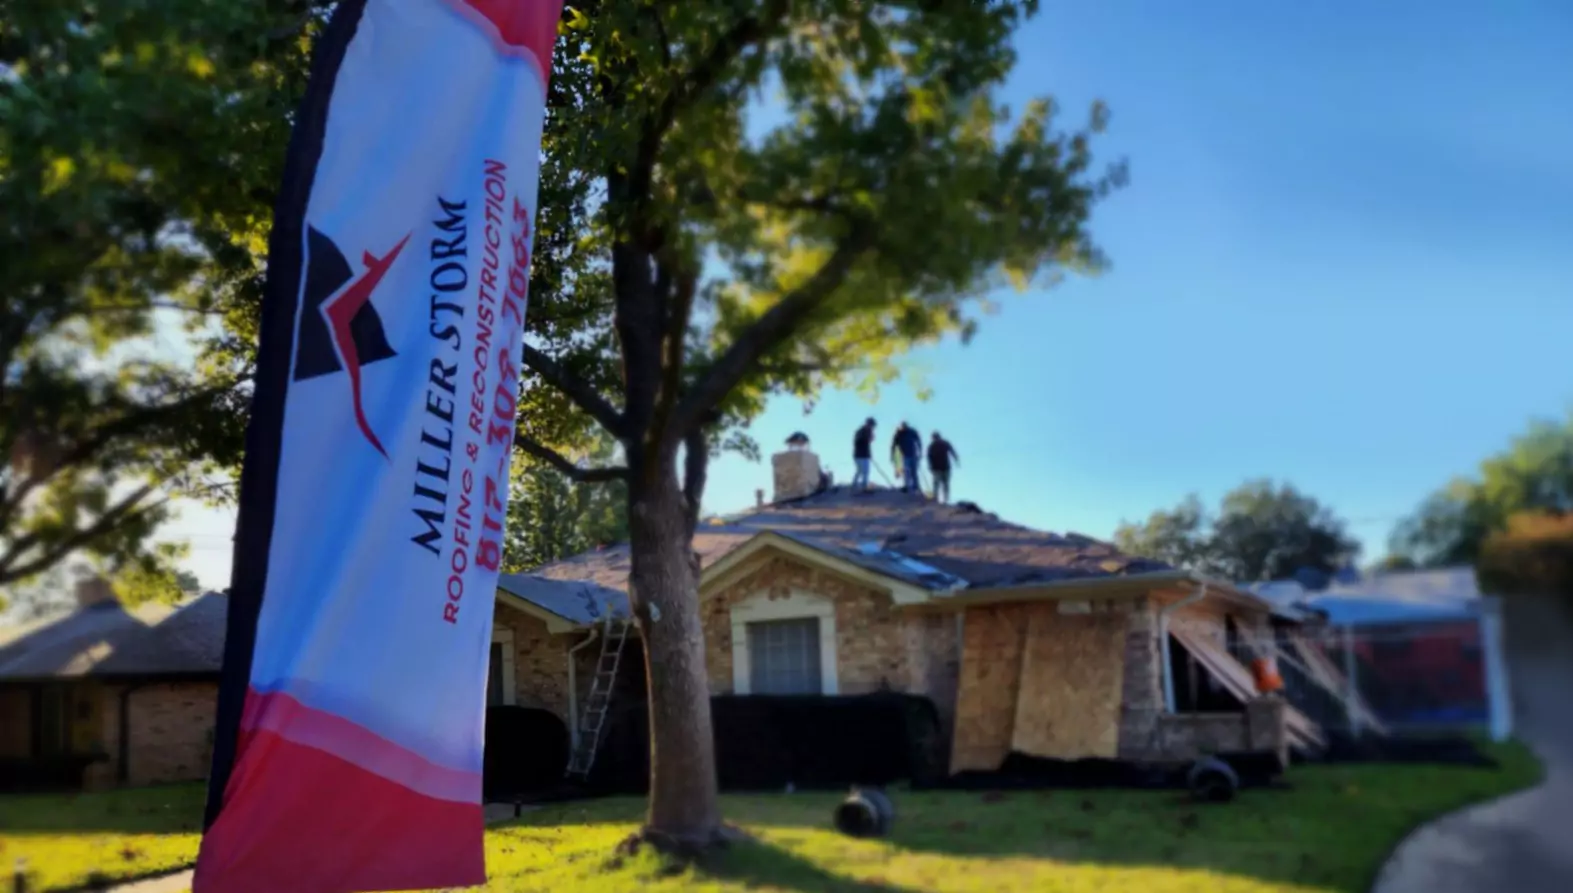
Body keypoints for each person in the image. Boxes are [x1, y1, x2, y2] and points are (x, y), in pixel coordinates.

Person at [927, 431, 960, 504]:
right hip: (941, 468)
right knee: (942, 484)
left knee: (940, 484)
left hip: (942, 468)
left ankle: (941, 499)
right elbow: (952, 451)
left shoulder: (933, 445)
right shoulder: (940, 444)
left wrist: (956, 459)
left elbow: (952, 451)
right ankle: (942, 499)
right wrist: (956, 459)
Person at [890, 421, 922, 492]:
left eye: (905, 426)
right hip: (904, 455)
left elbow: (918, 441)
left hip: (913, 454)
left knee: (914, 471)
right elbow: (893, 445)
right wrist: (892, 455)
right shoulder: (898, 433)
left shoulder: (912, 432)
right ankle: (907, 486)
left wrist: (920, 451)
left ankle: (915, 486)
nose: (904, 428)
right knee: (906, 471)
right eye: (903, 427)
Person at [851, 418, 876, 491]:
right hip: (860, 455)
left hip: (864, 455)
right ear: (868, 424)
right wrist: (868, 437)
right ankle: (862, 486)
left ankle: (856, 485)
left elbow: (870, 441)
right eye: (872, 425)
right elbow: (859, 441)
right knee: (863, 471)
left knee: (861, 471)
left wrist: (870, 436)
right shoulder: (861, 431)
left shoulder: (867, 432)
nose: (872, 427)